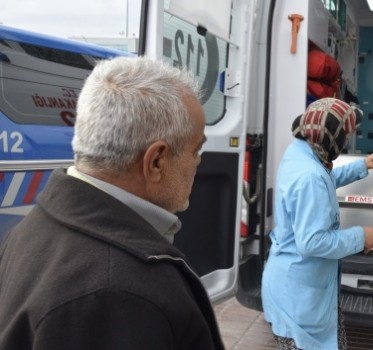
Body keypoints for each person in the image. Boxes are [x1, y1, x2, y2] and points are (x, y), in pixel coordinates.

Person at [0, 56, 225, 350]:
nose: (198, 161)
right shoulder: (122, 295)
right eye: (196, 149)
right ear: (156, 161)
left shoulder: (37, 226)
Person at [261, 98, 373, 350]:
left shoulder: (299, 152)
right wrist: (360, 237)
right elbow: (313, 241)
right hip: (299, 301)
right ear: (332, 139)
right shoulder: (311, 176)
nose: (348, 139)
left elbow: (323, 181)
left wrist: (363, 165)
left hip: (291, 286)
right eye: (346, 135)